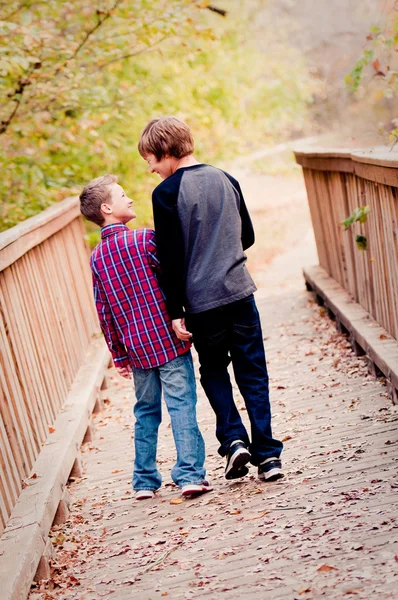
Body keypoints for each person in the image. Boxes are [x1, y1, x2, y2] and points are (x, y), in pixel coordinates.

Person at [138, 116, 284, 482]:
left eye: (152, 160)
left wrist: (175, 312)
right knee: (253, 373)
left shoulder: (167, 194)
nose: (152, 169)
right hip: (239, 293)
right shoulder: (226, 178)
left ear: (166, 151)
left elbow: (170, 260)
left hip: (202, 304)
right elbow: (246, 235)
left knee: (214, 370)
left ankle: (234, 441)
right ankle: (268, 456)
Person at [79, 174, 212, 500]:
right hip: (167, 342)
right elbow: (173, 281)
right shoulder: (144, 240)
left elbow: (104, 311)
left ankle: (144, 481)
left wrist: (118, 354)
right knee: (181, 405)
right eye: (123, 195)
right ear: (108, 207)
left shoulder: (97, 258)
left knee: (146, 412)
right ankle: (190, 474)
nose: (130, 199)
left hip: (137, 350)